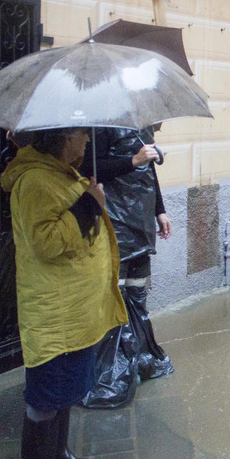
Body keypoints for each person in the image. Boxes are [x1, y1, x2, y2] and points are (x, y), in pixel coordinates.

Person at [0, 127, 128, 459]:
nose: (87, 142)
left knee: (65, 390)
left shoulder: (58, 171)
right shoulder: (36, 181)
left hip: (72, 311)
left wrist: (88, 197)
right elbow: (47, 242)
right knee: (46, 395)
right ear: (62, 139)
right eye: (81, 136)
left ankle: (58, 455)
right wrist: (90, 204)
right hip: (55, 313)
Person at [77, 124, 174, 409]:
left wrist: (160, 210)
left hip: (141, 221)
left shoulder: (142, 126)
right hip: (116, 222)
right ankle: (111, 372)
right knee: (115, 297)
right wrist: (133, 160)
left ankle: (141, 359)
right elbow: (90, 168)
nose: (161, 123)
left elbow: (150, 172)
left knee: (137, 293)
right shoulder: (105, 127)